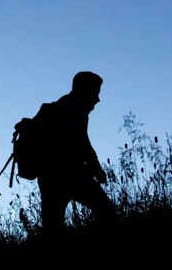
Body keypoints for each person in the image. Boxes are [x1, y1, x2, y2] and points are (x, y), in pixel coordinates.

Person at [35, 71, 118, 235]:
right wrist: (96, 169)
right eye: (95, 93)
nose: (97, 99)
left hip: (48, 176)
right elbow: (80, 141)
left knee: (52, 228)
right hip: (70, 174)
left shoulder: (62, 106)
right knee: (107, 212)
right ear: (85, 91)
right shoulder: (74, 108)